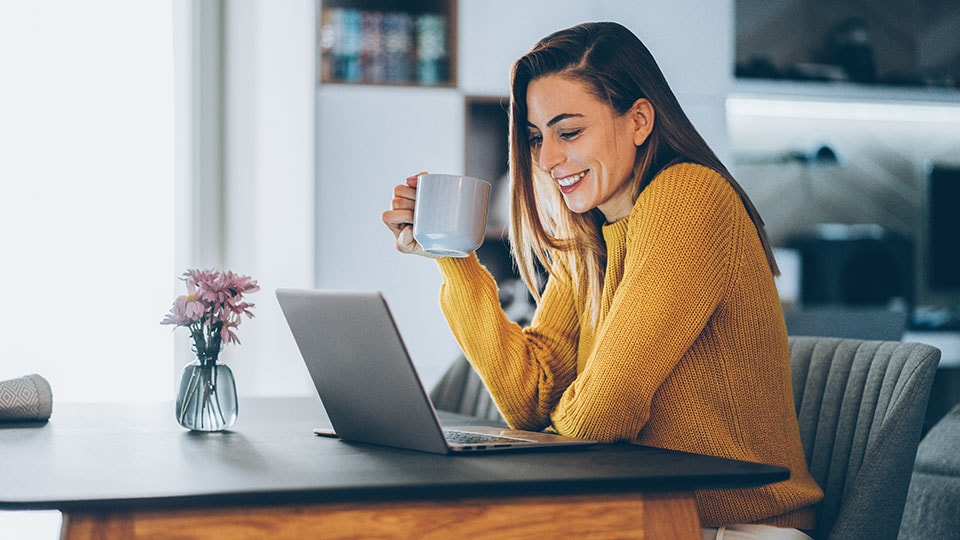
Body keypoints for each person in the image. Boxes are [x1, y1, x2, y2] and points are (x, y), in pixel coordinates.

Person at [382, 22, 823, 538]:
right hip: (640, 514)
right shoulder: (595, 233)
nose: (547, 160)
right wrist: (452, 253)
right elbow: (531, 399)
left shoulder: (690, 198)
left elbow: (599, 417)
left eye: (568, 132)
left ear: (638, 121)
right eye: (536, 137)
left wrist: (552, 429)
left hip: (737, 527)